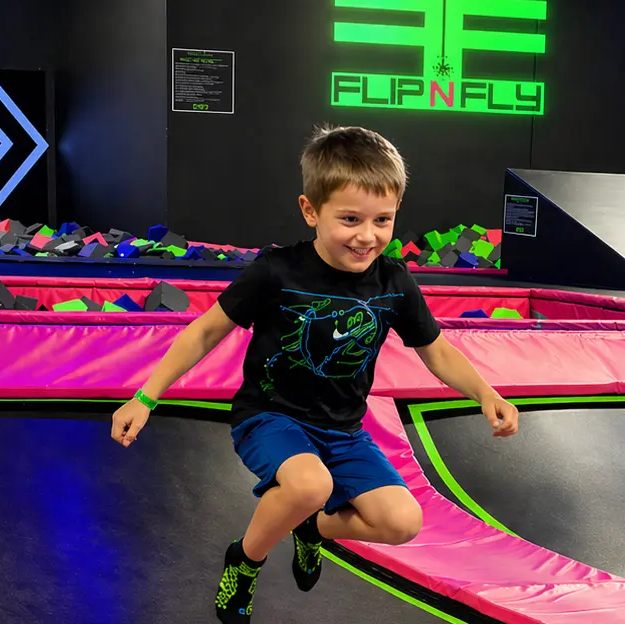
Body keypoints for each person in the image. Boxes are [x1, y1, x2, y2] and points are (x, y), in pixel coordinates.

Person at [110, 125, 520, 623]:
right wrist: (145, 398)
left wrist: (484, 392)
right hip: (269, 417)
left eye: (382, 220)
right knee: (309, 485)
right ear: (311, 211)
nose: (367, 236)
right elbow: (203, 332)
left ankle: (315, 530)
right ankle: (245, 561)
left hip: (343, 431)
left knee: (401, 522)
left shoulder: (394, 282)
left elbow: (436, 351)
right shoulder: (278, 271)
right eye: (350, 219)